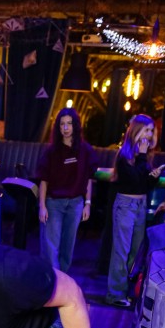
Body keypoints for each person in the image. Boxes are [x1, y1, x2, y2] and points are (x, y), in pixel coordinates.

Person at [106, 113, 165, 307]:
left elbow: (143, 185)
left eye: (151, 131)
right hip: (126, 205)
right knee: (121, 251)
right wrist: (142, 158)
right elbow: (133, 181)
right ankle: (115, 294)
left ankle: (126, 290)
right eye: (146, 130)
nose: (149, 134)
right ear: (136, 131)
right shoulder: (125, 156)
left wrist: (153, 176)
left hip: (140, 205)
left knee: (136, 251)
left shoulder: (144, 156)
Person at [37, 108, 98, 272]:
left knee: (68, 247)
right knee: (51, 247)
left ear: (75, 125)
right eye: (62, 124)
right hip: (53, 203)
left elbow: (88, 179)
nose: (65, 128)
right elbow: (43, 180)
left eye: (69, 124)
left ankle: (63, 279)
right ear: (57, 127)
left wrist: (88, 203)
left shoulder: (85, 150)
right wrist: (42, 206)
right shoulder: (51, 152)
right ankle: (52, 280)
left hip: (76, 203)